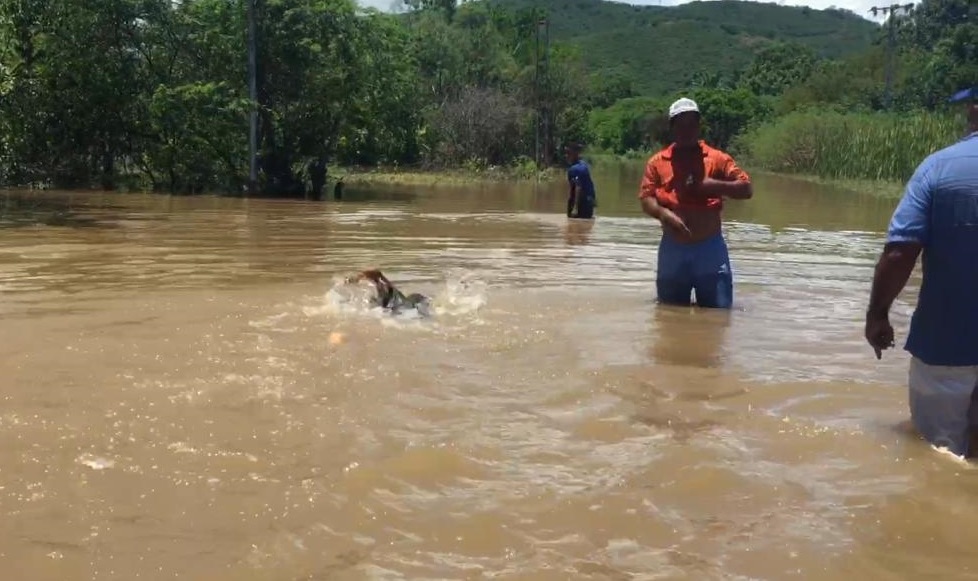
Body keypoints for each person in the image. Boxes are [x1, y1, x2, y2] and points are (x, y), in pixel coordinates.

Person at [865, 88, 978, 458]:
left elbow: (900, 253)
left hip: (947, 347)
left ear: (973, 110)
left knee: (941, 460)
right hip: (948, 347)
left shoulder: (939, 168)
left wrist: (878, 314)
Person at [637, 97, 753, 309]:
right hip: (673, 248)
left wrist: (710, 186)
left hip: (710, 248)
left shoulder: (717, 159)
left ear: (699, 127)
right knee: (669, 317)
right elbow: (646, 199)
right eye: (681, 124)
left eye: (692, 124)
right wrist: (664, 214)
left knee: (717, 317)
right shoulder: (657, 162)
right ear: (672, 128)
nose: (687, 130)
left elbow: (746, 189)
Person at [345, 269, 431, 316]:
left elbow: (378, 274)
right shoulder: (384, 288)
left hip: (405, 305)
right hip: (402, 304)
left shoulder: (382, 288)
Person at [565, 143, 597, 220]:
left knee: (572, 225)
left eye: (569, 153)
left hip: (581, 203)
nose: (566, 156)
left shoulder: (574, 169)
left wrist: (575, 207)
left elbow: (578, 187)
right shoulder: (584, 165)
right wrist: (594, 201)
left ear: (575, 154)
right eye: (566, 153)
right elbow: (590, 184)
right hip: (589, 203)